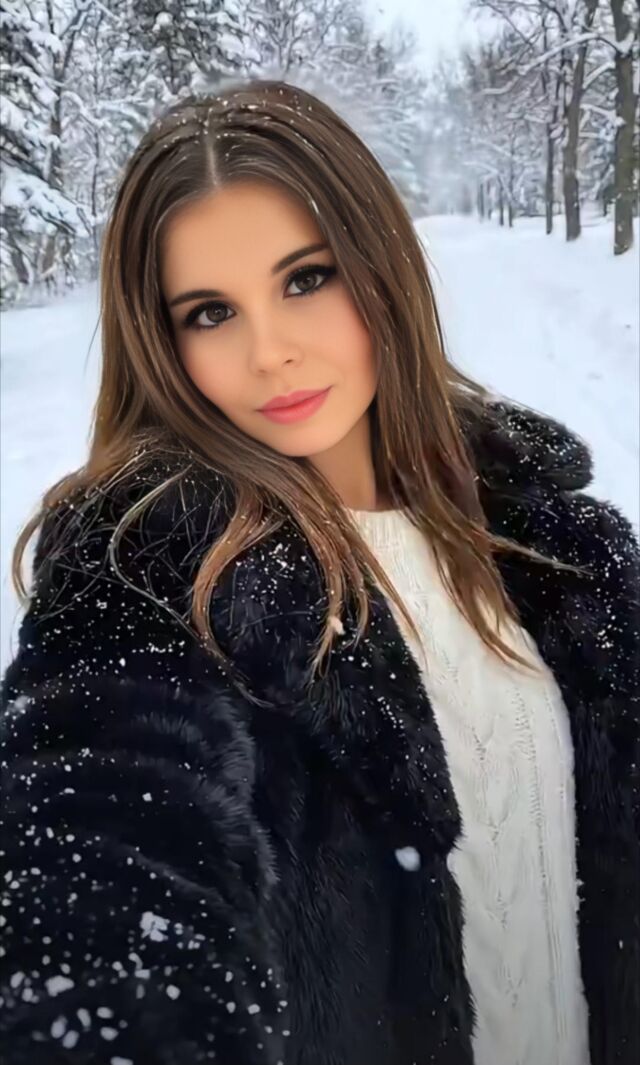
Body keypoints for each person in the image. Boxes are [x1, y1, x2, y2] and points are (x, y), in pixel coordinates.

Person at [0, 78, 638, 1065]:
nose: (271, 353)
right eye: (210, 312)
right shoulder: (146, 570)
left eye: (305, 279)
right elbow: (99, 848)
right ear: (163, 344)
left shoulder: (559, 546)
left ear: (378, 262)